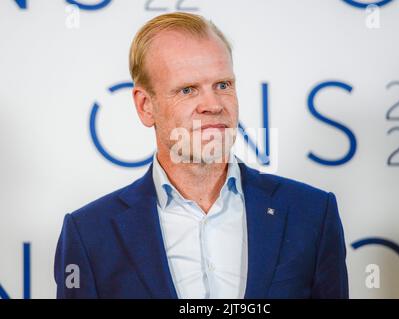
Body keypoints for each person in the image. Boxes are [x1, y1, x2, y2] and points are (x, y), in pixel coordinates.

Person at [54, 12, 348, 299]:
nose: (213, 104)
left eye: (223, 85)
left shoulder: (311, 214)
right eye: (187, 90)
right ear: (145, 106)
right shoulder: (90, 234)